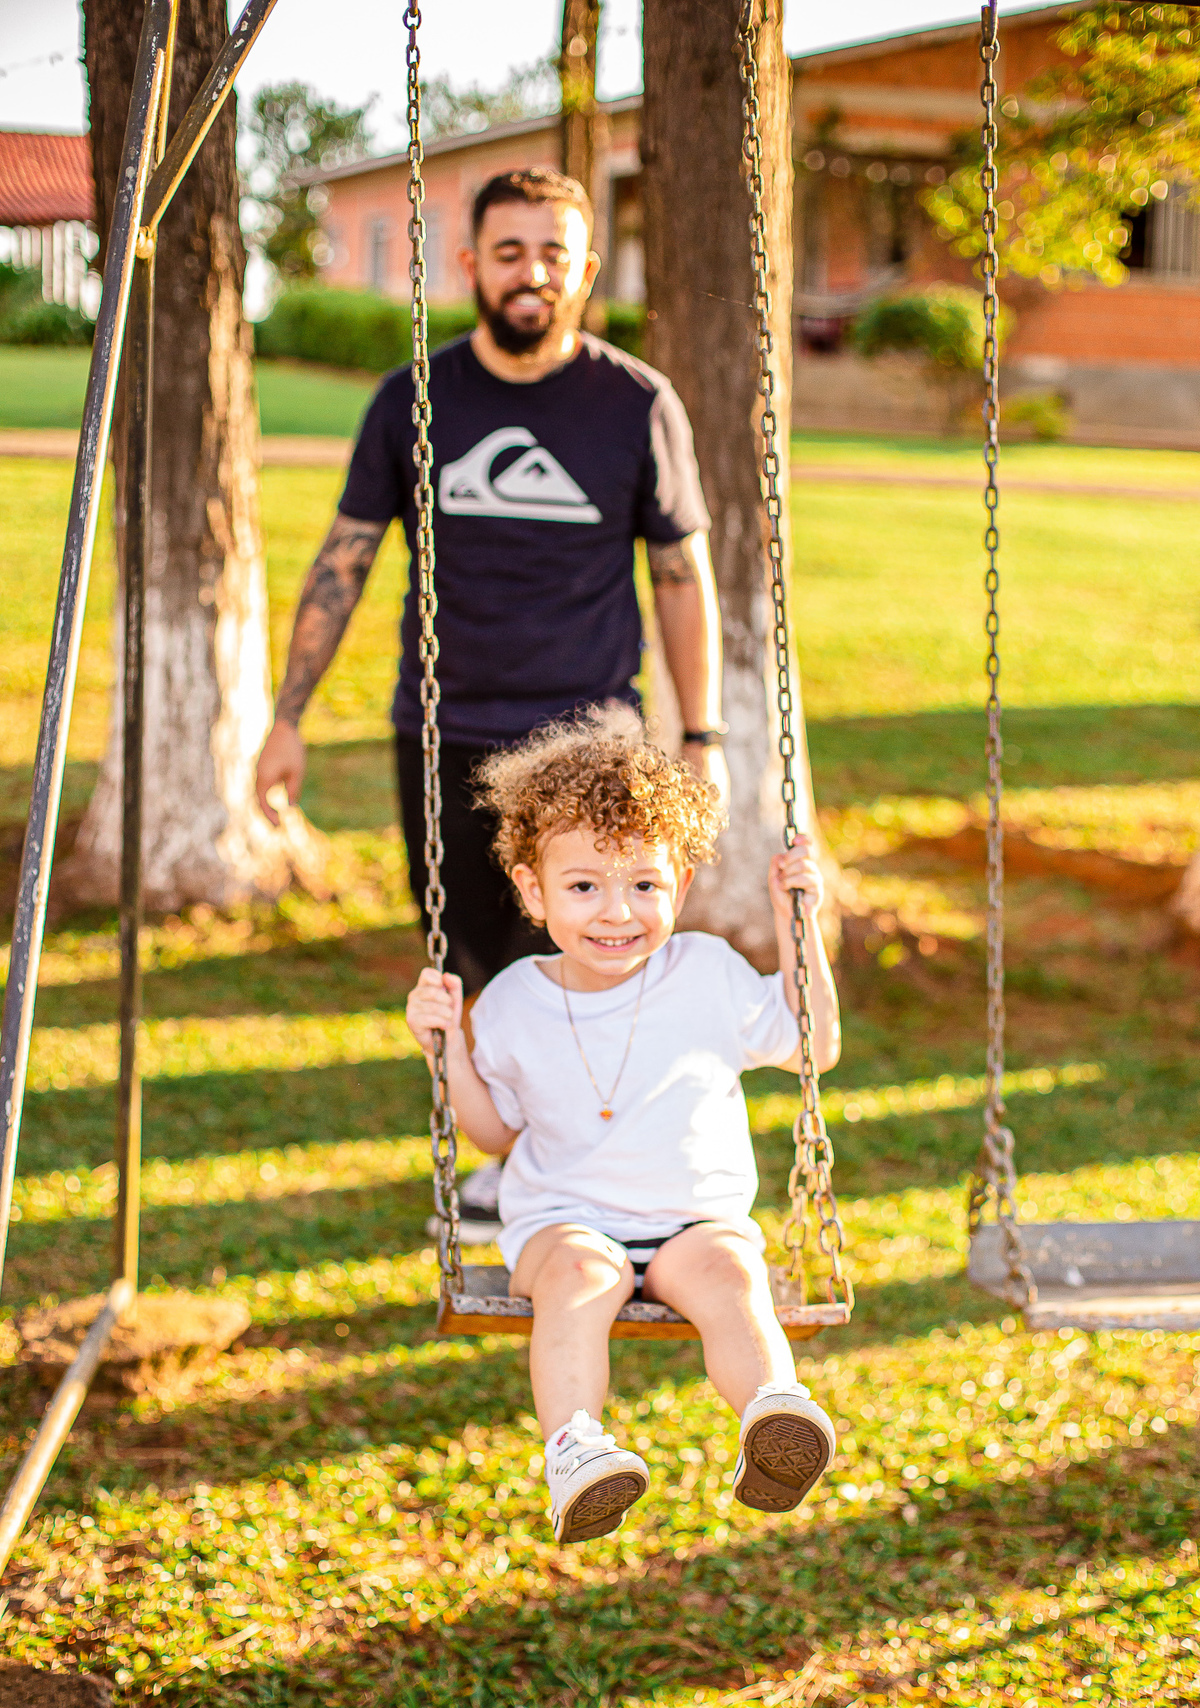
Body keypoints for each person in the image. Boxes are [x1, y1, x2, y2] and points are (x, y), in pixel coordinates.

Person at [255, 165, 728, 1242]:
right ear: (470, 265)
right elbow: (343, 560)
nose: (532, 273)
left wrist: (701, 735)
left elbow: (680, 576)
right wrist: (288, 716)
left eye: (554, 252)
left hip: (592, 744)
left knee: (595, 953)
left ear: (587, 267)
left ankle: (609, 1171)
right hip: (447, 729)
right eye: (510, 252)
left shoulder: (636, 403)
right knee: (470, 961)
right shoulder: (412, 401)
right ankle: (512, 1165)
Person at [404, 710, 840, 1544]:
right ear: (533, 891)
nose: (618, 912)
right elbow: (493, 1135)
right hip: (565, 1219)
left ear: (681, 883)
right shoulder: (514, 1003)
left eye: (644, 884)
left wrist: (801, 925)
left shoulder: (706, 972)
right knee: (578, 1276)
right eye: (584, 887)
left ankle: (774, 1415)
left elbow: (813, 1044)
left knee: (731, 1277)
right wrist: (445, 1051)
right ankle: (576, 1453)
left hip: (693, 1222)